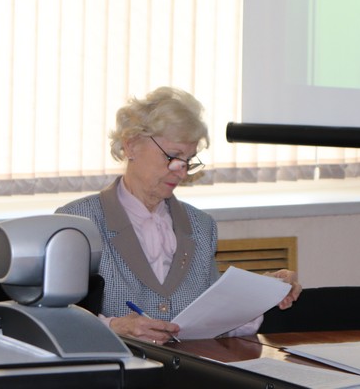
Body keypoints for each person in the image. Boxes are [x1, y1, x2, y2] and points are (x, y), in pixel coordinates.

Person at [56, 87, 301, 343]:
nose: (181, 172)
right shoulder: (77, 222)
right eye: (173, 157)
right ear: (131, 145)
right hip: (118, 363)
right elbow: (55, 319)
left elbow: (216, 320)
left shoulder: (201, 226)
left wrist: (266, 292)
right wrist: (113, 326)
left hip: (188, 363)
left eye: (188, 160)